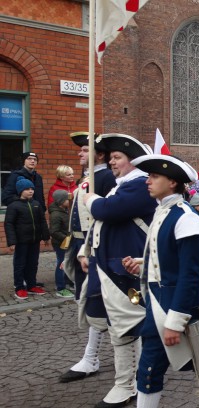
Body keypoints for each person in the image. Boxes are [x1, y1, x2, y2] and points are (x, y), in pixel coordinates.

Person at [123, 154, 199, 408]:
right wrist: (142, 263)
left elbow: (191, 276)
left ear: (172, 182)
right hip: (158, 301)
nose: (148, 181)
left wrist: (175, 322)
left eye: (155, 176)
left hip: (172, 306)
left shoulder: (185, 217)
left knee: (149, 369)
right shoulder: (163, 211)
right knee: (192, 355)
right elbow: (166, 257)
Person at [77, 133, 156, 407]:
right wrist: (86, 249)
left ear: (133, 161)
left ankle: (127, 384)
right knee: (120, 326)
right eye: (110, 158)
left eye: (117, 157)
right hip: (111, 268)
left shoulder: (139, 185)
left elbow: (108, 211)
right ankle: (136, 378)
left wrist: (90, 199)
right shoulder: (122, 185)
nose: (111, 162)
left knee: (126, 327)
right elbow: (101, 224)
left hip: (126, 270)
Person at [59, 131, 117, 384]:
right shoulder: (88, 177)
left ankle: (92, 356)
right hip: (79, 244)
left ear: (100, 155)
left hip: (93, 246)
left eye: (85, 150)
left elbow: (104, 218)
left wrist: (89, 249)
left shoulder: (105, 178)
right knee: (89, 301)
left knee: (99, 301)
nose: (79, 154)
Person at [5, 176, 50, 299]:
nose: (31, 191)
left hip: (34, 240)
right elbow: (9, 224)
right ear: (20, 191)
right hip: (21, 241)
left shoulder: (36, 204)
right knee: (20, 264)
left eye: (32, 189)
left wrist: (46, 236)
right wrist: (12, 241)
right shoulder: (14, 206)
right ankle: (19, 287)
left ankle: (31, 285)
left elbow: (42, 221)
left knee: (33, 263)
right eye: (27, 189)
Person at [49, 189, 74, 298]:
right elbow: (54, 231)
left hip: (67, 242)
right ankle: (60, 288)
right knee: (62, 264)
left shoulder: (65, 211)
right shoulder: (56, 214)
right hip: (61, 243)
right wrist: (67, 238)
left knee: (67, 263)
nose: (69, 201)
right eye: (67, 200)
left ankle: (67, 283)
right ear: (61, 201)